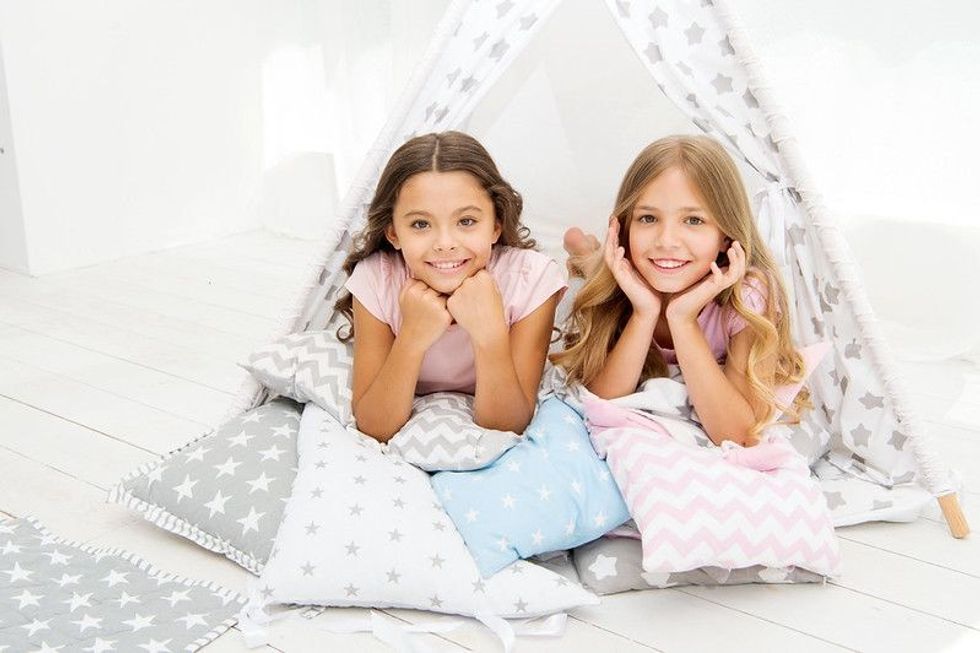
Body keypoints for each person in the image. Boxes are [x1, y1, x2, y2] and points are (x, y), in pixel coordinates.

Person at [552, 135, 807, 446]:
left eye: (693, 220)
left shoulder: (748, 296)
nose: (667, 240)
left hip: (686, 278)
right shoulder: (624, 279)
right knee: (590, 276)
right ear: (623, 229)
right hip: (619, 271)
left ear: (726, 236)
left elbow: (737, 434)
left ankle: (586, 250)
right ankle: (584, 253)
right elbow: (602, 403)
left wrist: (683, 319)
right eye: (648, 218)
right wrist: (644, 313)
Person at [334, 131, 567, 442]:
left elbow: (507, 424)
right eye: (420, 224)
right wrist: (412, 337)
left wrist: (490, 334)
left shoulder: (532, 279)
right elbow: (374, 426)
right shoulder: (376, 279)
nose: (445, 244)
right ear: (393, 233)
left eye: (467, 221)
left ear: (495, 225)